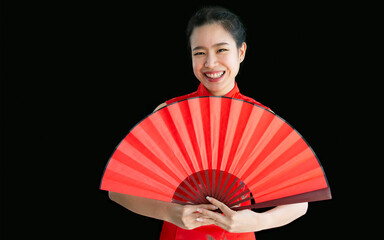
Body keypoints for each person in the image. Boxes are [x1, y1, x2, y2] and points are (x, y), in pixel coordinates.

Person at [109, 6, 308, 240]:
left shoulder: (261, 117)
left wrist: (259, 220)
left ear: (241, 52)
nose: (210, 63)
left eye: (221, 50)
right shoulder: (169, 114)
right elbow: (117, 190)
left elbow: (300, 202)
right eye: (199, 53)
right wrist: (168, 212)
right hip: (178, 234)